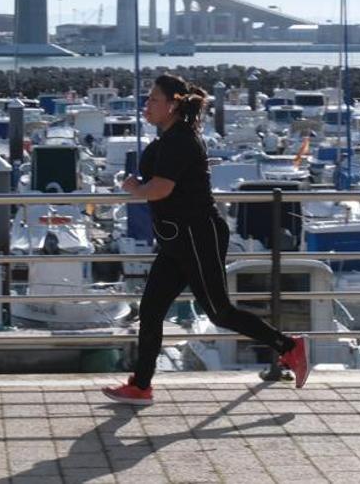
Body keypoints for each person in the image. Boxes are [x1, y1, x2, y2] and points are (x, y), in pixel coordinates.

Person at [102, 74, 309, 406]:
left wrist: (134, 190)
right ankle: (141, 386)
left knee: (219, 312)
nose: (147, 105)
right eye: (147, 99)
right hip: (176, 240)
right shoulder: (170, 139)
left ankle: (290, 347)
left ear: (172, 105)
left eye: (153, 99)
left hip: (198, 236)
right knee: (152, 310)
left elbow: (160, 189)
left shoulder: (180, 141)